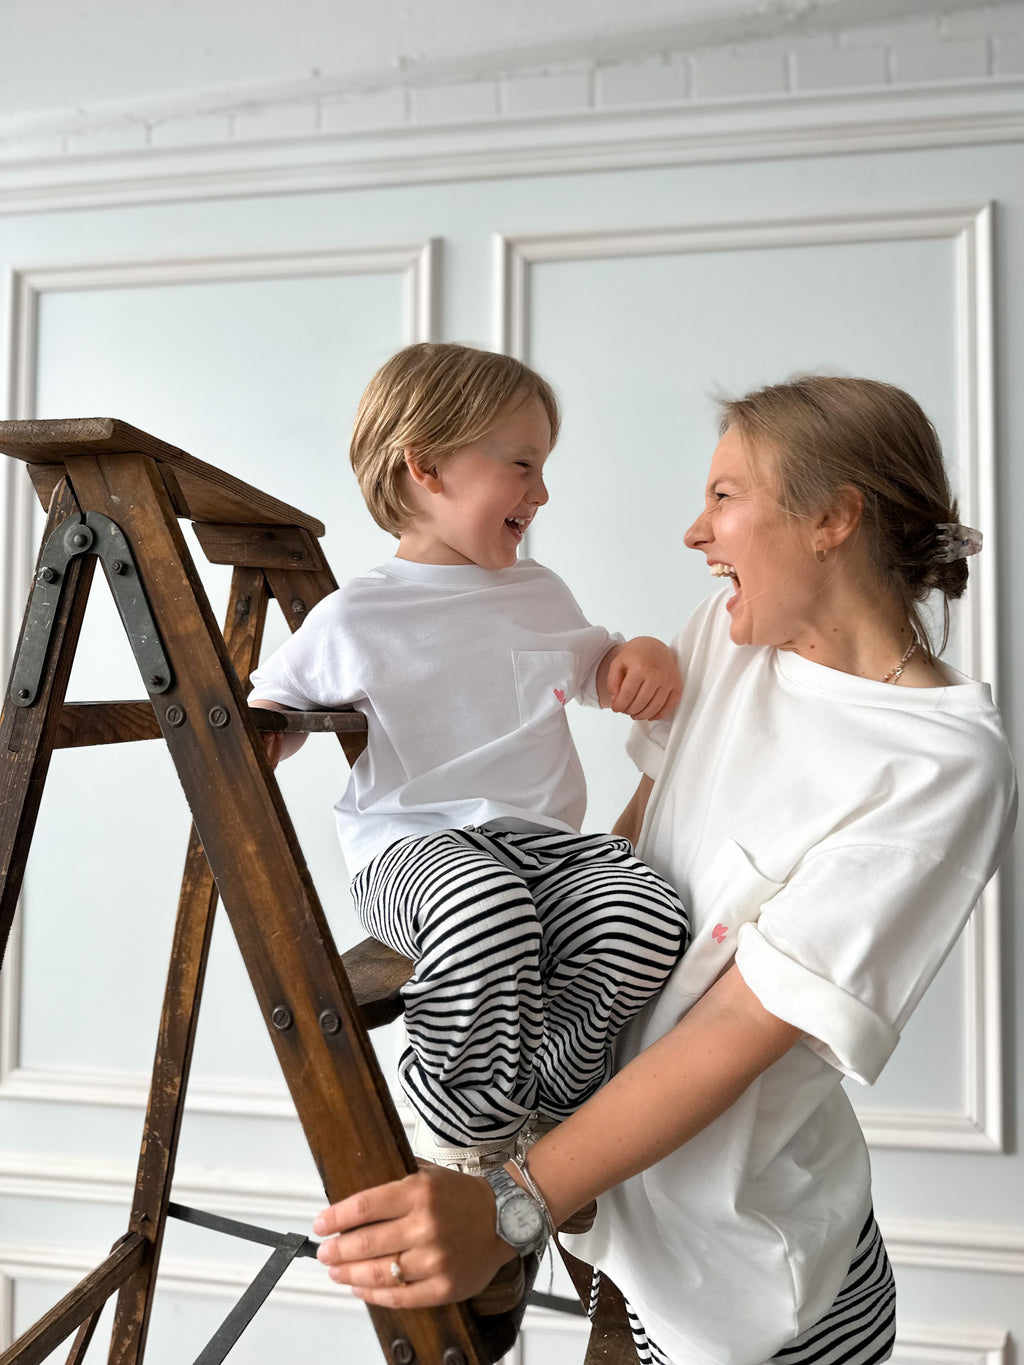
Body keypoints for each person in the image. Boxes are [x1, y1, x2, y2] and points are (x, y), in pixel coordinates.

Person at [310, 375, 1017, 1365]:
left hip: (753, 1288)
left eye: (724, 496)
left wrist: (510, 1203)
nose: (695, 532)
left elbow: (739, 1024)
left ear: (833, 518)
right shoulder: (725, 638)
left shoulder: (941, 765)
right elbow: (629, 846)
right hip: (616, 1223)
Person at [249, 343, 690, 1185]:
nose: (542, 491)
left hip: (545, 850)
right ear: (426, 467)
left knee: (644, 913)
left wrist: (641, 653)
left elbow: (599, 665)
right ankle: (463, 1131)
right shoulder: (359, 612)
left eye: (544, 467)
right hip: (413, 851)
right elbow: (278, 694)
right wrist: (268, 734)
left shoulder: (538, 591)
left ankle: (554, 1107)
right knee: (485, 910)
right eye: (522, 464)